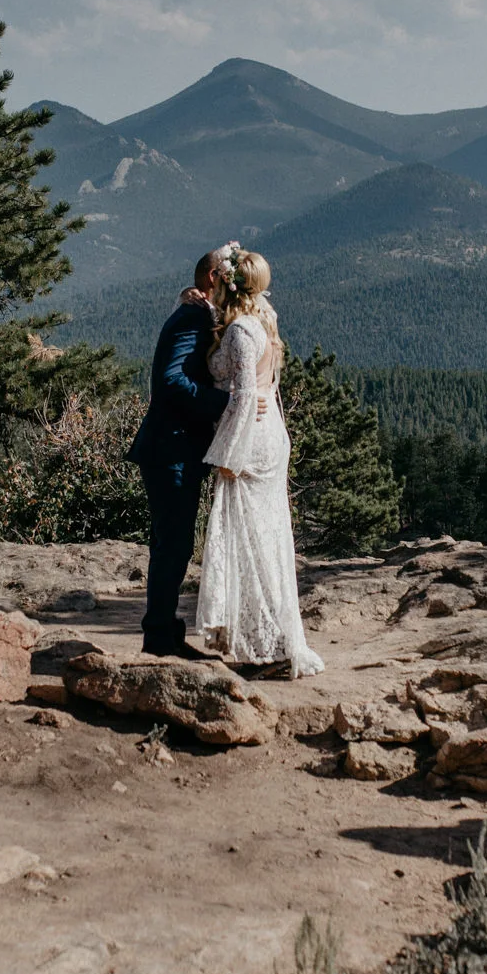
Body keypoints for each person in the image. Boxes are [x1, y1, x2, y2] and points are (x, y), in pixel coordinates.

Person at [192, 248, 323, 678]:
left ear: (228, 284)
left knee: (252, 543)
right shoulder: (265, 317)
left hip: (251, 444)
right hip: (270, 439)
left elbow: (245, 394)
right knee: (267, 538)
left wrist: (228, 452)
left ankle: (266, 646)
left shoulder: (241, 332)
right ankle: (269, 638)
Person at [127, 249, 234, 658]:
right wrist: (224, 403)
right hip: (170, 445)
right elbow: (170, 381)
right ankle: (160, 638)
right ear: (212, 277)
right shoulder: (191, 316)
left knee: (174, 543)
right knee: (172, 544)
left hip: (178, 445)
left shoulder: (197, 311)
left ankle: (166, 633)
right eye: (228, 277)